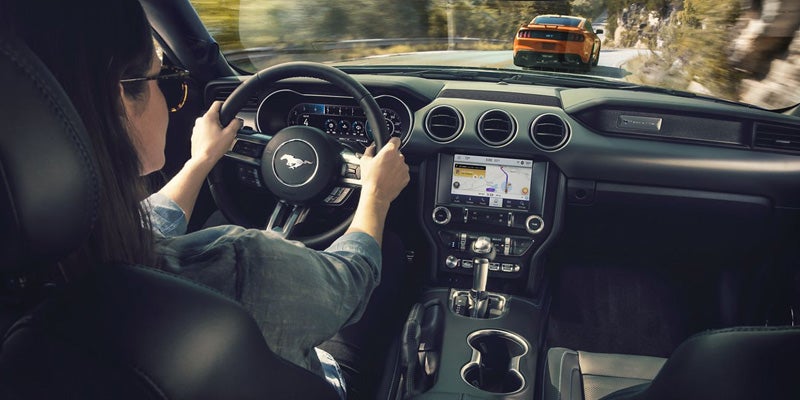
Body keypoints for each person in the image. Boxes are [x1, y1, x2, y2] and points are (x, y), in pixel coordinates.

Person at [3, 0, 410, 397]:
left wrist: (201, 161)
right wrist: (376, 195)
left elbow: (147, 227)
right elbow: (351, 281)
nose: (171, 98)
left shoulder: (41, 274)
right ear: (121, 99)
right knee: (389, 253)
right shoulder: (242, 264)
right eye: (164, 80)